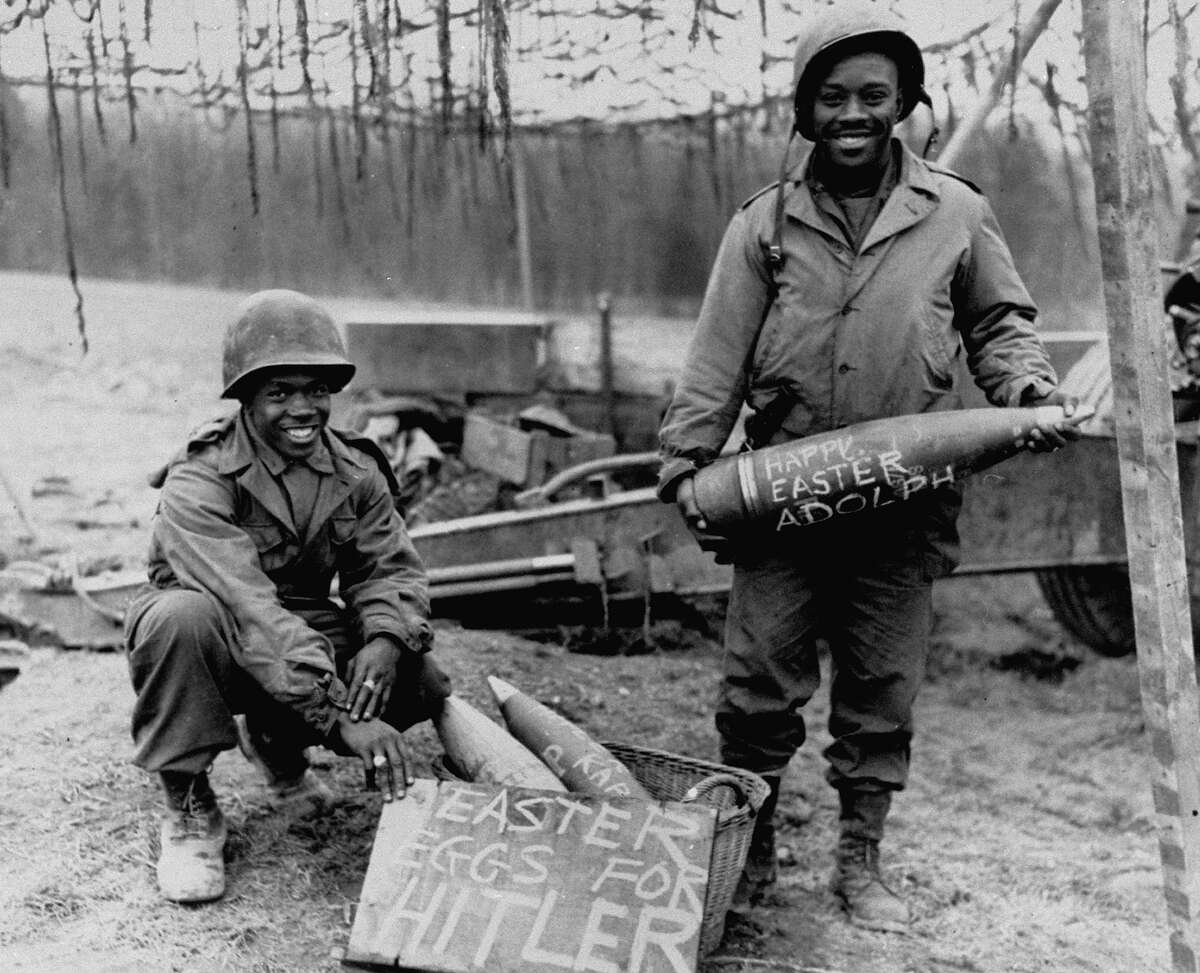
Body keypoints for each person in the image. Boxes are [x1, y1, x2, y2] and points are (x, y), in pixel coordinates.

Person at [657, 2, 1079, 933]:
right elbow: (716, 353)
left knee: (882, 688)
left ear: (905, 105)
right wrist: (690, 460)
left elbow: (999, 324)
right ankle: (751, 847)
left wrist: (1025, 393)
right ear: (805, 112)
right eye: (834, 96)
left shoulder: (957, 211)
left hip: (906, 504)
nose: (855, 113)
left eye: (875, 96)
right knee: (757, 685)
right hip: (783, 500)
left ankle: (861, 856)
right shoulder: (763, 225)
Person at [124, 289, 452, 904]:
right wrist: (338, 715)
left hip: (292, 627)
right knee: (179, 621)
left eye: (317, 390)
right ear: (245, 398)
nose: (303, 409)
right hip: (215, 628)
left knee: (419, 680)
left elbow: (389, 569)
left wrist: (384, 638)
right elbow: (246, 607)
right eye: (279, 393)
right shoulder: (201, 476)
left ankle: (276, 742)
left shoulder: (354, 468)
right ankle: (189, 804)